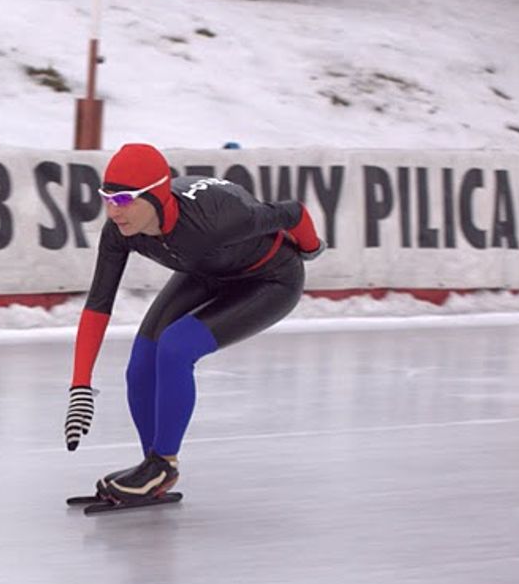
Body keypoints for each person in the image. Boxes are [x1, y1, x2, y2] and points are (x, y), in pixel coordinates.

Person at [64, 143, 324, 506]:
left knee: (176, 347)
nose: (113, 210)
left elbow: (293, 213)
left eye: (123, 200)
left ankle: (163, 464)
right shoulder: (119, 231)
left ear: (154, 197)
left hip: (270, 279)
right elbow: (98, 304)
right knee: (141, 363)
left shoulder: (218, 218)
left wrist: (311, 248)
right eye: (107, 197)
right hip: (206, 270)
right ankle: (152, 470)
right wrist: (80, 386)